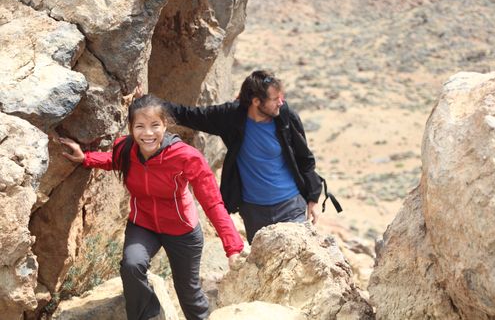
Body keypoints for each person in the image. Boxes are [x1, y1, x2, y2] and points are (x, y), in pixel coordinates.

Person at [60, 94, 243, 320]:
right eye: (140, 126)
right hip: (143, 224)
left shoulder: (186, 157)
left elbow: (212, 203)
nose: (148, 133)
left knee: (188, 293)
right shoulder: (125, 149)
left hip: (182, 230)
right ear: (131, 128)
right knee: (131, 265)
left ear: (165, 124)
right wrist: (86, 158)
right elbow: (113, 160)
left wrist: (232, 247)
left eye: (155, 125)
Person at [161, 70, 324, 244]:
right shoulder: (231, 116)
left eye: (281, 97)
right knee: (264, 266)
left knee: (296, 257)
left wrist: (313, 198)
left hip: (291, 206)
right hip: (253, 211)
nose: (280, 102)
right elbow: (189, 115)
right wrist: (150, 104)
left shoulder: (285, 117)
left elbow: (304, 159)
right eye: (275, 99)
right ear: (256, 101)